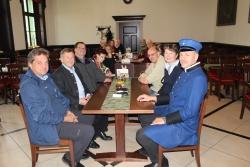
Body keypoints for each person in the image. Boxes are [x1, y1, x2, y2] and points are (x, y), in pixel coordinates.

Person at [136, 39, 208, 167]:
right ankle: (153, 146)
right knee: (144, 113)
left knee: (141, 135)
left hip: (184, 125)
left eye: (187, 55)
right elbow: (172, 96)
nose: (183, 58)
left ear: (196, 56)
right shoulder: (186, 71)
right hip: (172, 111)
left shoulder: (198, 78)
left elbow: (190, 112)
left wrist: (164, 119)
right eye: (181, 55)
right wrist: (152, 98)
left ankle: (161, 162)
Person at [20, 48, 94, 167]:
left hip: (58, 116)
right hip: (47, 126)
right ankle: (71, 158)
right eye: (39, 62)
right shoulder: (29, 86)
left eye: (46, 62)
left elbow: (62, 99)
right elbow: (40, 116)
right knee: (88, 131)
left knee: (89, 117)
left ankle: (76, 148)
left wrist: (68, 111)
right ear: (30, 64)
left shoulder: (46, 78)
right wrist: (65, 118)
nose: (44, 66)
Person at [53, 48, 112, 149]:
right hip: (71, 105)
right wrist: (79, 100)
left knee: (102, 106)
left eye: (72, 57)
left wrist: (88, 93)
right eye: (67, 58)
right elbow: (60, 95)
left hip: (84, 99)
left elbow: (83, 84)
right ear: (61, 59)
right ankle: (85, 141)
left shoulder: (75, 68)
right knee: (92, 114)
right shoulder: (58, 74)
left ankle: (91, 137)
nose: (71, 60)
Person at [137, 44, 183, 127]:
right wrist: (158, 96)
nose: (168, 56)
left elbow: (175, 95)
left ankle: (153, 133)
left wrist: (155, 99)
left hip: (172, 104)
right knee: (142, 110)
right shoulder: (168, 66)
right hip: (164, 97)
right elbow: (165, 85)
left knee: (144, 112)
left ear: (177, 55)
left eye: (171, 53)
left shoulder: (179, 70)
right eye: (166, 53)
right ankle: (151, 131)